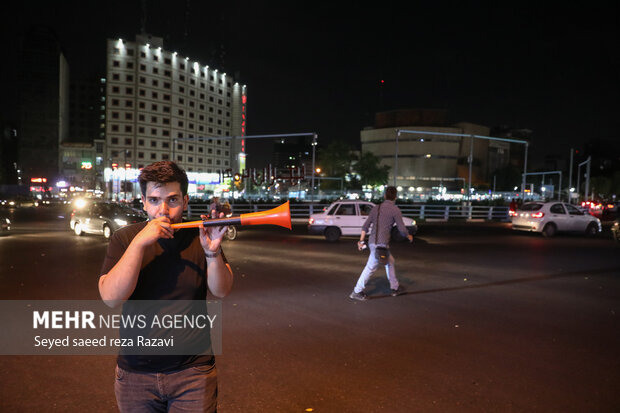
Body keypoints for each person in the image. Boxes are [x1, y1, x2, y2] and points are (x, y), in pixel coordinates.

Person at [98, 161, 233, 413]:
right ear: (143, 201)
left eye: (172, 200)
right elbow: (111, 297)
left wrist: (212, 253)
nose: (163, 210)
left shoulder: (200, 235)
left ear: (185, 201)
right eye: (154, 200)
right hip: (135, 372)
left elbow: (222, 290)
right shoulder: (125, 238)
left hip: (193, 371)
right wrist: (139, 244)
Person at [349, 186, 413, 301]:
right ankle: (357, 291)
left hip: (372, 242)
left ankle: (395, 287)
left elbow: (365, 226)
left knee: (390, 262)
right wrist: (409, 236)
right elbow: (402, 229)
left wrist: (361, 241)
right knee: (370, 267)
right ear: (396, 197)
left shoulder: (376, 208)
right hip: (381, 245)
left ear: (384, 196)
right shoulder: (395, 210)